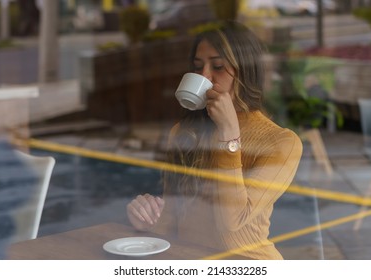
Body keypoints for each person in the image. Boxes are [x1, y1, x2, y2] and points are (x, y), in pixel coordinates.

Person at [126, 21, 303, 260]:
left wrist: (229, 135)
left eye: (218, 66)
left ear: (246, 71)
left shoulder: (281, 143)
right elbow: (172, 221)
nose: (205, 76)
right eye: (198, 68)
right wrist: (147, 221)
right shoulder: (184, 132)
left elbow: (233, 220)